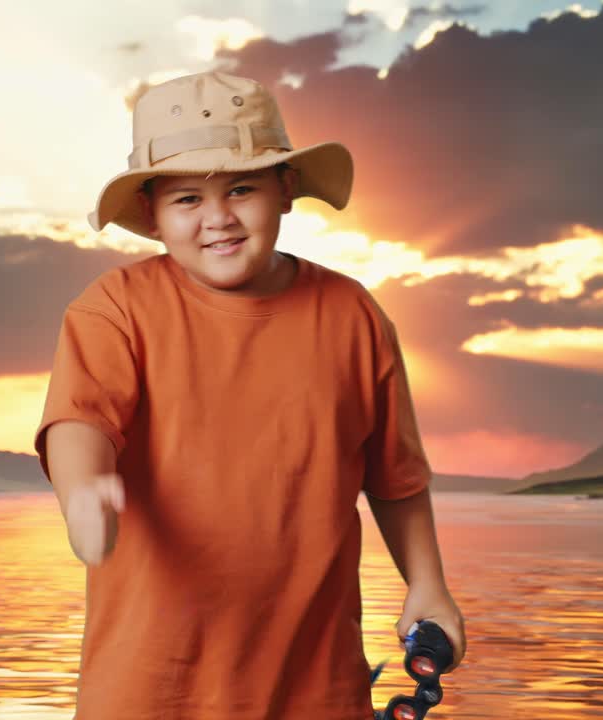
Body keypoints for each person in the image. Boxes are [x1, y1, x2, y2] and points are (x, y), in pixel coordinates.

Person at [34, 70, 465, 720]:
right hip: (151, 692)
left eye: (241, 188)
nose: (218, 218)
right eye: (187, 198)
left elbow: (395, 476)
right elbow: (80, 421)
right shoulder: (115, 309)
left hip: (317, 689)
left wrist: (428, 585)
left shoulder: (353, 315)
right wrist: (84, 489)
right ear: (152, 213)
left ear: (285, 189)